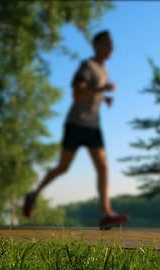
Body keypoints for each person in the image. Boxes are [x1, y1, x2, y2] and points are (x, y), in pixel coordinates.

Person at [23, 30, 129, 230]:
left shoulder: (104, 69)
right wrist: (102, 90)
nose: (111, 48)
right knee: (63, 168)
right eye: (107, 44)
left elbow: (91, 94)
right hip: (76, 124)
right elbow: (77, 93)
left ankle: (106, 213)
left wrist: (102, 98)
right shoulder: (87, 66)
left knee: (103, 166)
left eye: (112, 44)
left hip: (93, 125)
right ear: (96, 45)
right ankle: (33, 195)